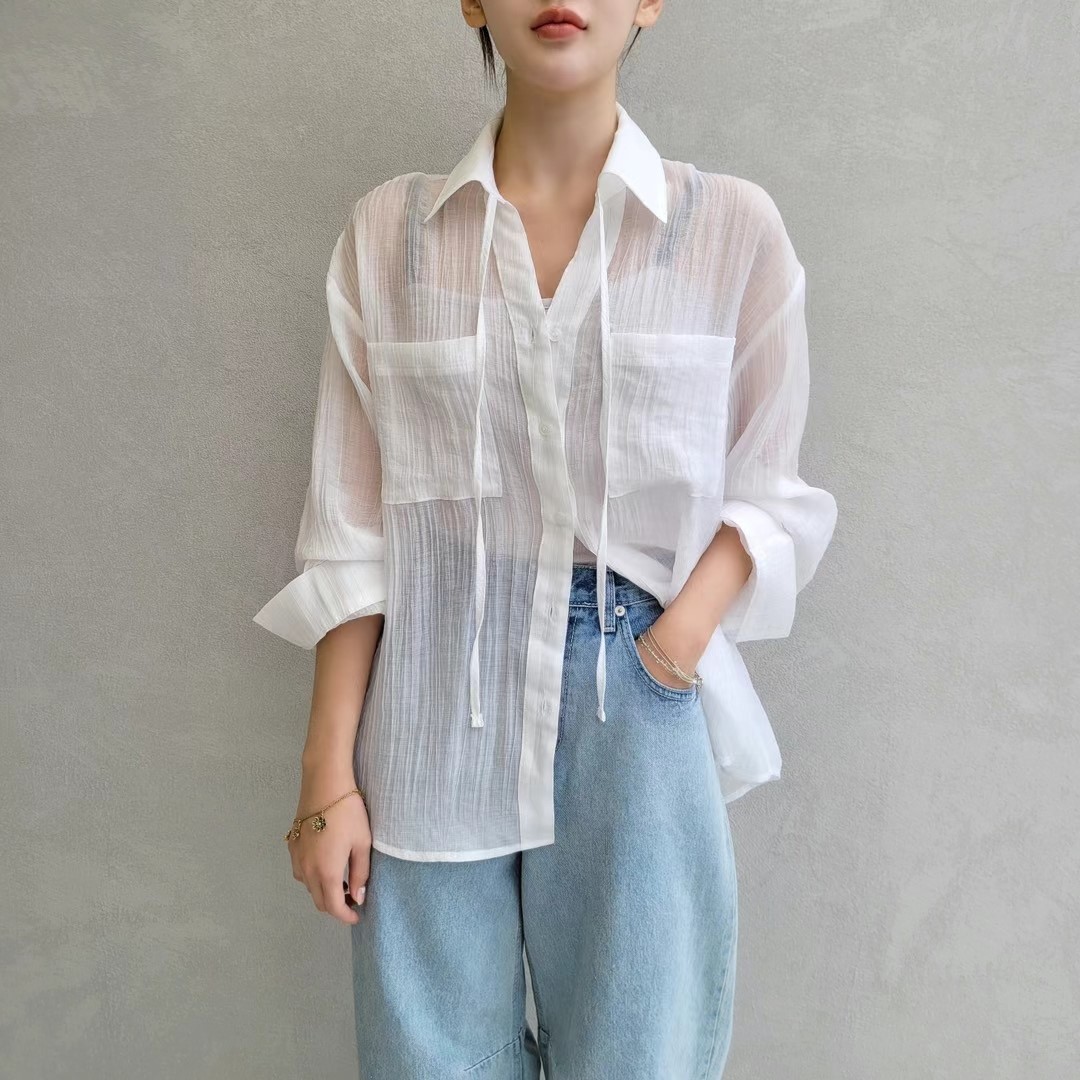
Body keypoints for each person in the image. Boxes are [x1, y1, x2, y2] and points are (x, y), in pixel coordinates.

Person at [254, 2, 838, 1076]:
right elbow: (351, 531)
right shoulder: (392, 235)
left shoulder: (727, 228)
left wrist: (669, 650)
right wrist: (325, 776)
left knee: (639, 1057)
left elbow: (770, 492)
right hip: (430, 694)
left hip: (636, 695)